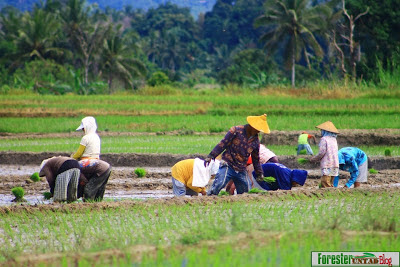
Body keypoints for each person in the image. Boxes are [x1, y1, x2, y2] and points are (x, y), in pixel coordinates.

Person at [205, 114, 270, 195]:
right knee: (219, 184)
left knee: (245, 191)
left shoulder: (255, 141)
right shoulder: (235, 131)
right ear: (252, 126)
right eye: (257, 129)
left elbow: (255, 158)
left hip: (241, 168)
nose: (258, 131)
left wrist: (259, 173)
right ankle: (209, 198)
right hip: (228, 164)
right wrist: (211, 156)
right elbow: (223, 144)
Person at [310, 121, 339, 188]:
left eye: (322, 130)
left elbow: (321, 152)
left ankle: (328, 196)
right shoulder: (334, 139)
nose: (321, 132)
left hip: (327, 165)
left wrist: (313, 159)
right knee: (330, 183)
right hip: (335, 164)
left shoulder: (324, 139)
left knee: (325, 184)